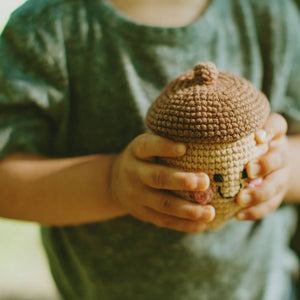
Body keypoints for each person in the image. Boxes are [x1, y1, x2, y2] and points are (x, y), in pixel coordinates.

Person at [0, 0, 299, 299]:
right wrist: (110, 184)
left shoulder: (267, 13)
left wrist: (281, 170)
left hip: (262, 289)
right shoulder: (46, 26)